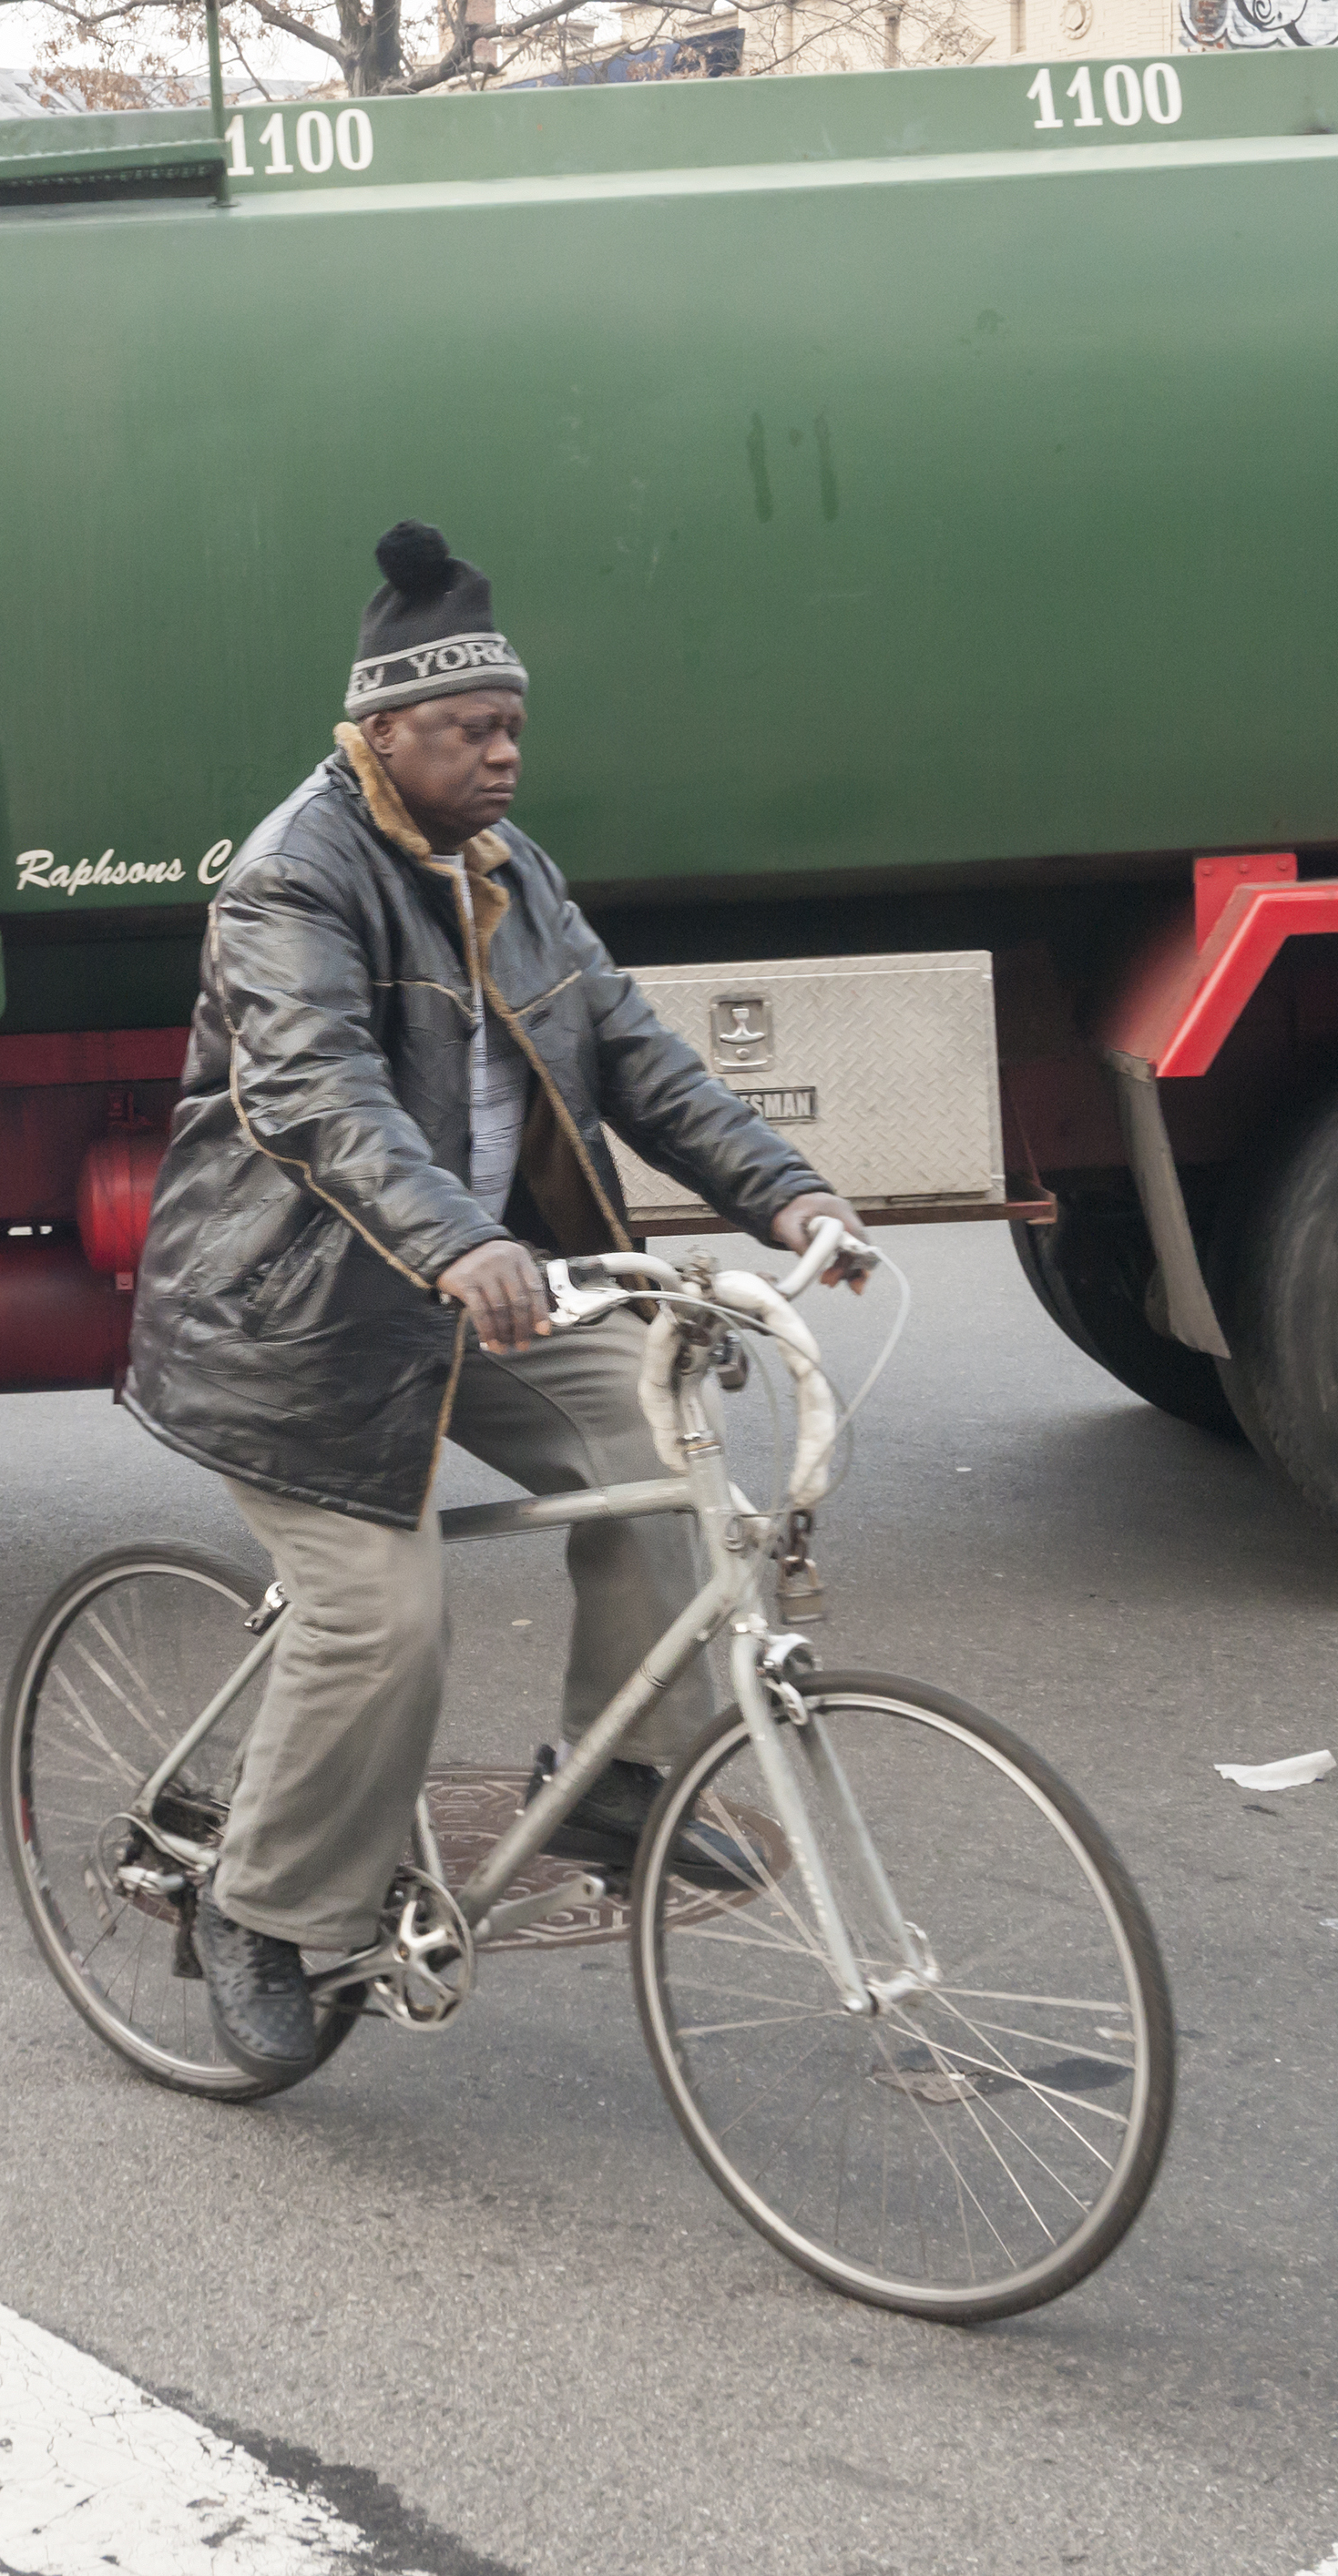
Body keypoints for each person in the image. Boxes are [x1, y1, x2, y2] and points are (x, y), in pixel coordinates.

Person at [123, 519, 864, 2078]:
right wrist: (457, 1235)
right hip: (293, 1317)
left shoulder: (511, 873)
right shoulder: (291, 879)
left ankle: (615, 1786)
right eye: (469, 727)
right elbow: (317, 1091)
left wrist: (789, 1192)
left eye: (513, 724)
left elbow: (636, 1054)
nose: (503, 752)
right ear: (383, 731)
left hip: (470, 1288)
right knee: (380, 1618)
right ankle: (262, 1911)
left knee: (657, 1449)